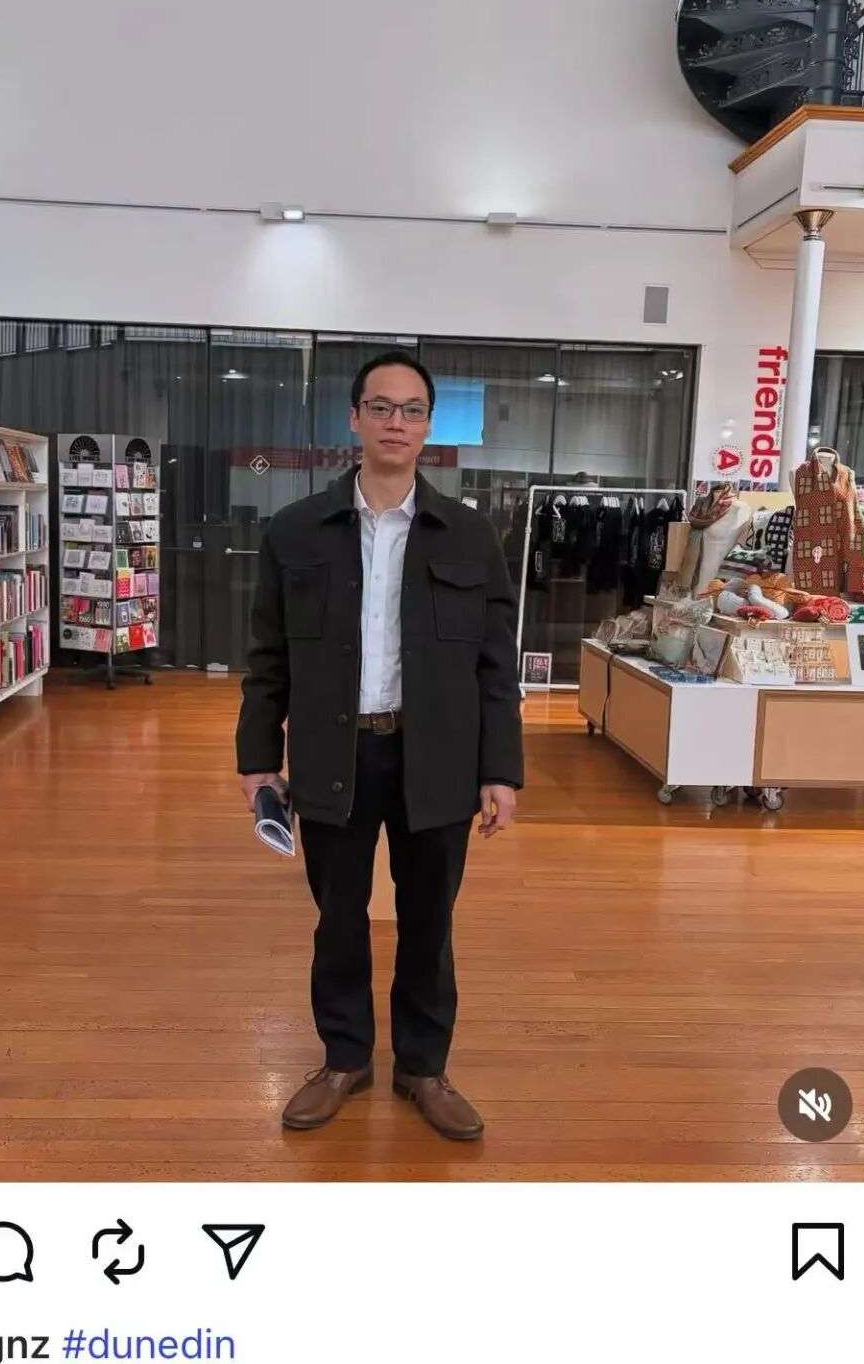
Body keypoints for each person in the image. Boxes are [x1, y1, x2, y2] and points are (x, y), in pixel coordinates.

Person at [235, 351, 523, 1140]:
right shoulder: (296, 531)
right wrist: (257, 760)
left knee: (430, 921)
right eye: (382, 407)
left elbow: (496, 666)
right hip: (334, 756)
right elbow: (267, 659)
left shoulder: (470, 536)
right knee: (338, 918)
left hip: (438, 758)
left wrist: (500, 770)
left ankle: (424, 1068)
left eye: (412, 409)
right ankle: (345, 1058)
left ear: (429, 426)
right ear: (355, 418)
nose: (397, 422)